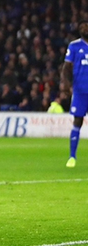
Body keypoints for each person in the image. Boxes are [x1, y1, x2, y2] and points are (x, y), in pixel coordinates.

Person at [61, 20, 88, 168]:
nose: (85, 28)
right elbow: (66, 66)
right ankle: (72, 156)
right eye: (82, 26)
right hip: (80, 91)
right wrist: (64, 82)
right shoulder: (74, 46)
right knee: (77, 121)